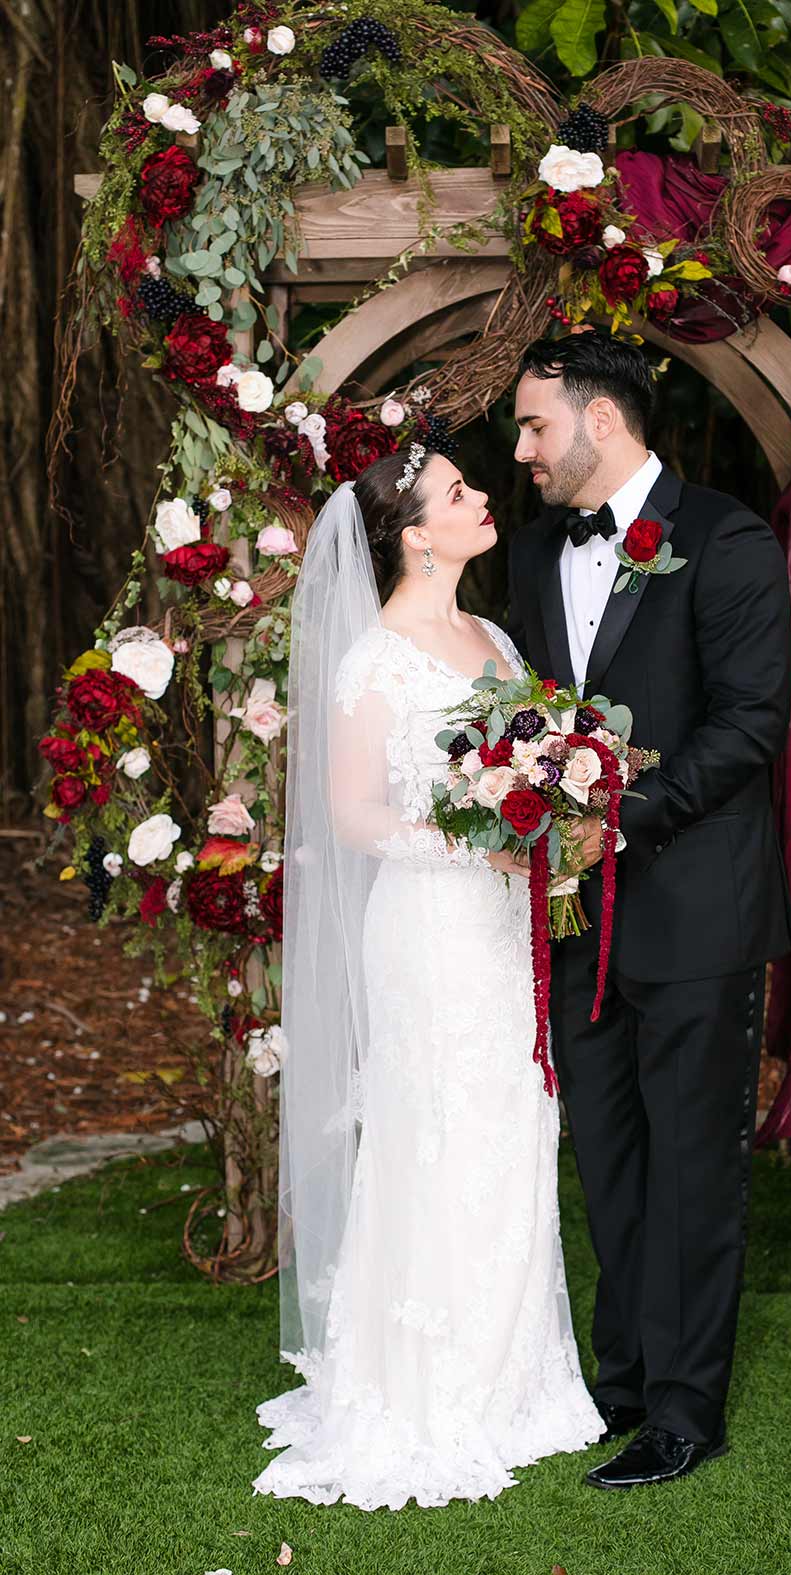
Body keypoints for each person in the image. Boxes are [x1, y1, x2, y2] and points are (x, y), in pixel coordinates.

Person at [252, 450, 602, 1511]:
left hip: (500, 928)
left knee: (512, 1119)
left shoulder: (493, 640)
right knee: (435, 1129)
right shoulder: (373, 663)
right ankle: (420, 1389)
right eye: (458, 494)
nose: (483, 498)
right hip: (427, 928)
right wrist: (476, 844)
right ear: (413, 532)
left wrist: (552, 811)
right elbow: (354, 817)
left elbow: (522, 765)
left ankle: (509, 1375)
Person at [508, 331, 791, 1490]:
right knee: (612, 1157)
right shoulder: (535, 553)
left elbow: (752, 723)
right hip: (578, 914)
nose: (523, 449)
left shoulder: (728, 539)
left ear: (603, 421)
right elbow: (535, 710)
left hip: (695, 907)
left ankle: (686, 1412)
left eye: (536, 426)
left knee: (690, 1163)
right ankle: (620, 1380)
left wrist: (620, 817)